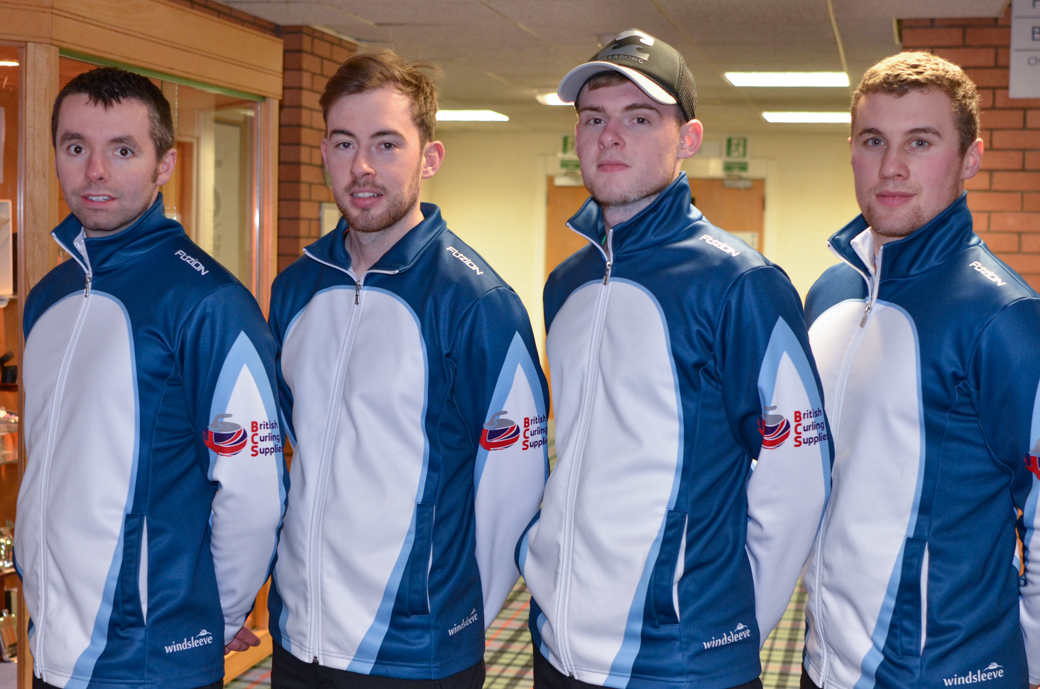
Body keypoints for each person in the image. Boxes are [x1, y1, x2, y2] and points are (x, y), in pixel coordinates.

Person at [518, 29, 832, 689]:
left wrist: (725, 627)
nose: (610, 137)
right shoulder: (565, 284)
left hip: (680, 662)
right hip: (556, 649)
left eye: (639, 119)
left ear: (687, 139)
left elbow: (799, 478)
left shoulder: (742, 284)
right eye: (593, 119)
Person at [266, 51, 548, 689]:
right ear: (324, 153)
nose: (362, 166)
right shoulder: (295, 289)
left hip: (416, 655)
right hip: (298, 641)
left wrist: (451, 619)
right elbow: (289, 452)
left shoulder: (477, 303)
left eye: (386, 144)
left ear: (430, 157)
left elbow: (515, 487)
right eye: (345, 143)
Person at [14, 67, 287, 689]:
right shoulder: (48, 296)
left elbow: (253, 494)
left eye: (122, 151)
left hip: (151, 660)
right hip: (55, 645)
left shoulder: (209, 302)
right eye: (76, 147)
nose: (95, 172)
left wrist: (212, 619)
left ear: (164, 164)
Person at [800, 51, 1040, 689]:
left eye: (921, 142)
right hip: (823, 663)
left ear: (970, 158)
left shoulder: (1004, 316)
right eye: (874, 140)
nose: (892, 167)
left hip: (944, 673)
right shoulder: (828, 295)